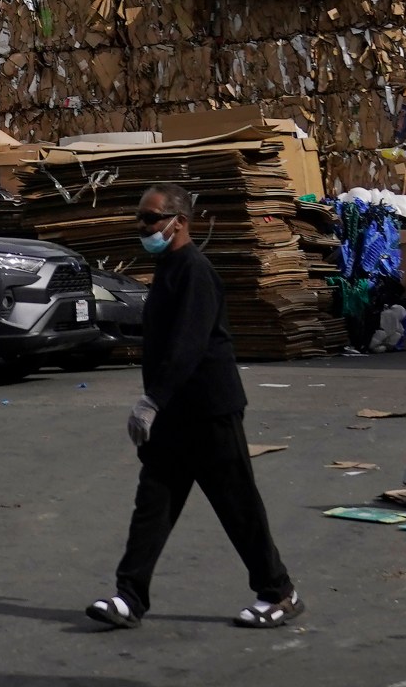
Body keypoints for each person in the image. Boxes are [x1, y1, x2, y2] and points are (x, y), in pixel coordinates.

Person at [87, 183, 300, 631]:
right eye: (140, 218)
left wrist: (151, 401)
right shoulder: (167, 268)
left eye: (150, 219)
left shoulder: (195, 271)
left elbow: (187, 346)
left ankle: (279, 592)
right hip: (174, 415)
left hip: (209, 411)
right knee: (153, 504)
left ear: (178, 222)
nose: (142, 227)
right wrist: (158, 404)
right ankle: (129, 597)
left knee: (237, 505)